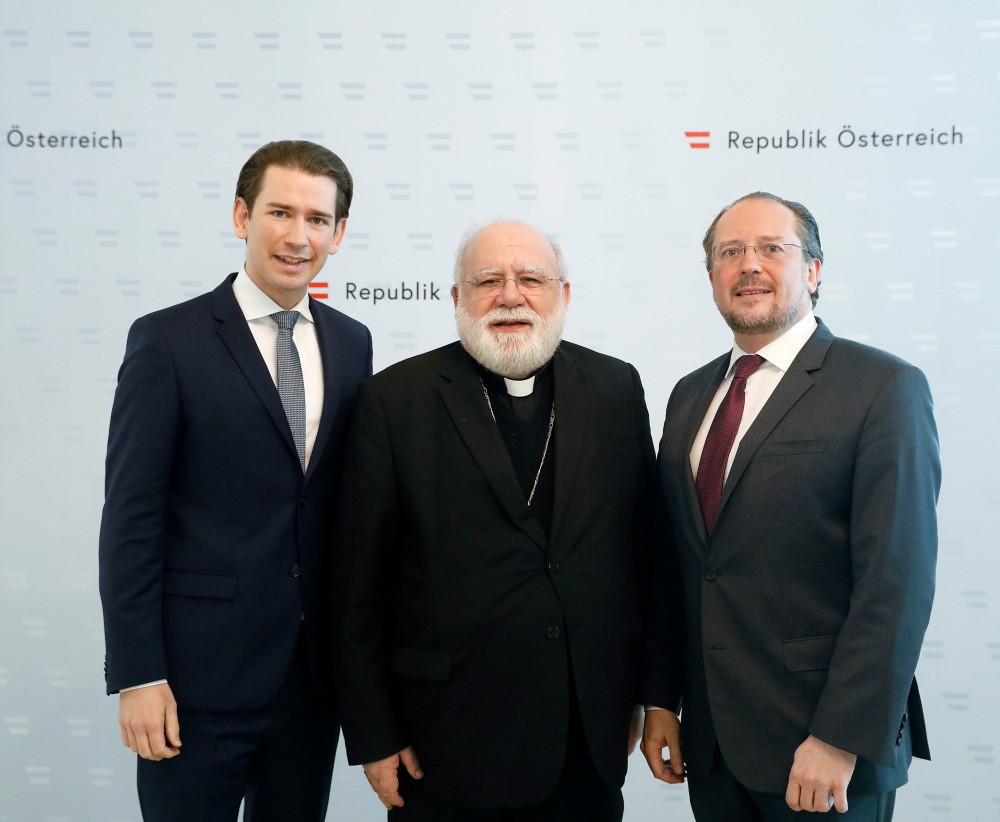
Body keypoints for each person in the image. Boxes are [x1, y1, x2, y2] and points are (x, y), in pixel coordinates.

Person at [334, 221, 682, 820]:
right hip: (446, 740)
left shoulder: (614, 388)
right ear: (456, 299)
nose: (510, 296)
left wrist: (656, 697)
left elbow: (650, 558)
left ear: (564, 296)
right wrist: (373, 733)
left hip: (587, 733)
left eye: (532, 279)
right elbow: (354, 588)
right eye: (488, 280)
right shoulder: (395, 400)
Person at [641, 192, 940, 821]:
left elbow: (897, 581)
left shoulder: (882, 387)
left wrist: (839, 737)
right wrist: (662, 698)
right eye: (730, 253)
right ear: (713, 277)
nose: (749, 265)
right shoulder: (689, 396)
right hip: (714, 746)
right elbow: (678, 565)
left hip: (826, 756)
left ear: (813, 269)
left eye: (771, 249)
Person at [98, 140, 372, 821]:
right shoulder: (167, 340)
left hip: (310, 686)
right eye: (280, 212)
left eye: (317, 219)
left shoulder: (353, 341)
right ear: (241, 216)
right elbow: (131, 519)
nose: (297, 235)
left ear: (338, 235)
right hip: (194, 686)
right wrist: (138, 674)